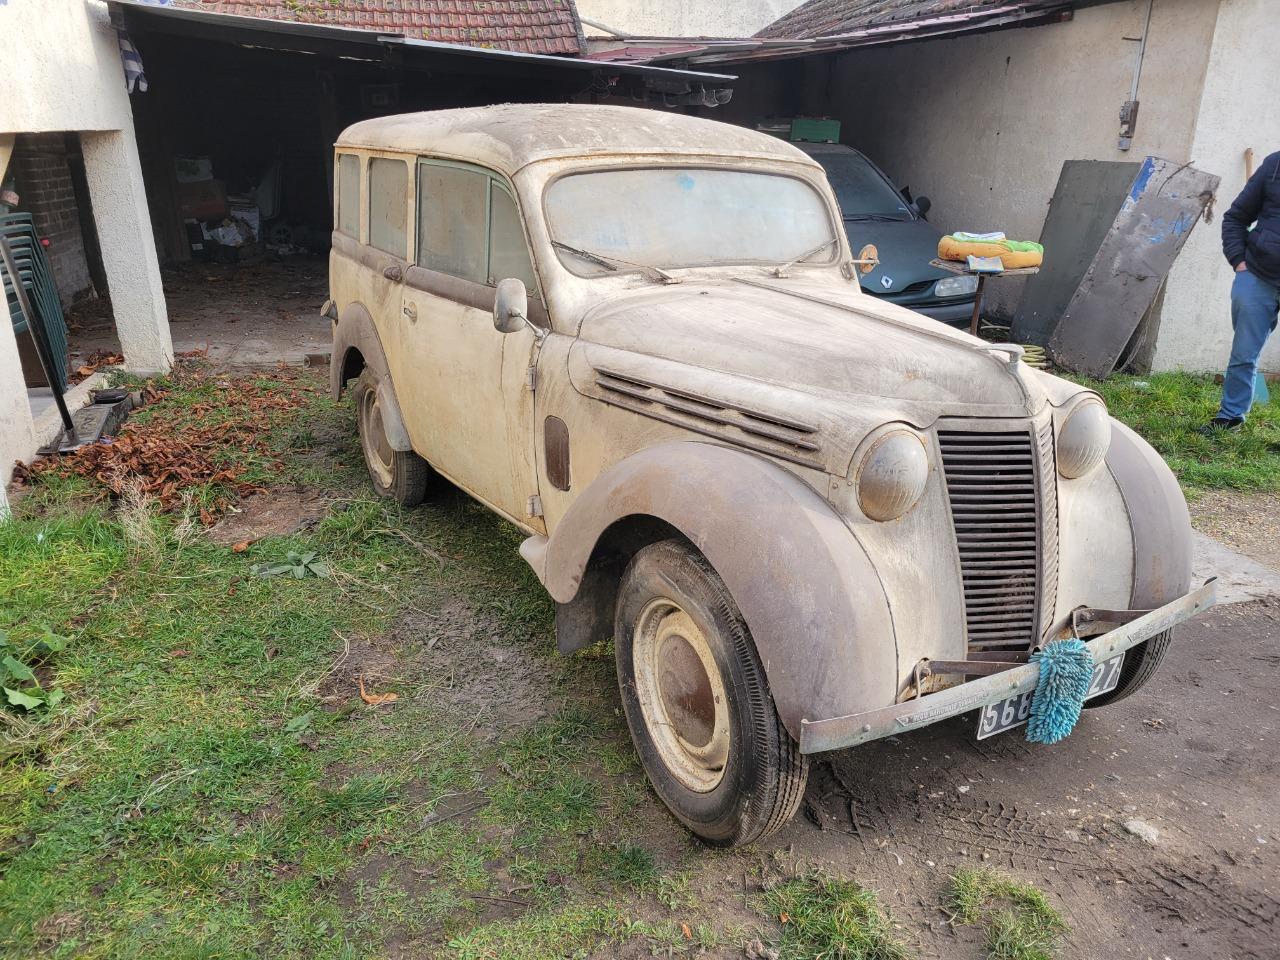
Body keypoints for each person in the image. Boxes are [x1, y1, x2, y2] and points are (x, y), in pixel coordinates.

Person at [1203, 150, 1280, 432]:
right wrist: (1239, 261)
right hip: (1258, 274)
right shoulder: (1275, 164)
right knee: (1244, 353)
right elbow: (1236, 217)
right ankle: (1231, 416)